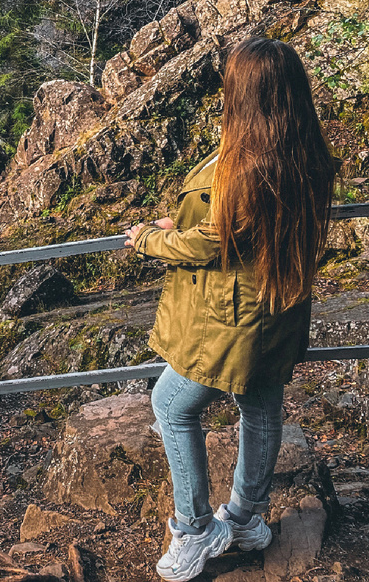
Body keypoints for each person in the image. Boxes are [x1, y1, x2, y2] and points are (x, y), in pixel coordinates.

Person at [124, 38, 336, 582]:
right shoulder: (304, 151)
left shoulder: (247, 164)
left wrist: (150, 237)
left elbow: (212, 242)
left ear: (248, 94)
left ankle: (195, 530)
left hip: (233, 316)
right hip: (280, 305)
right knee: (260, 403)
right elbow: (240, 227)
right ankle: (245, 517)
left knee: (171, 404)